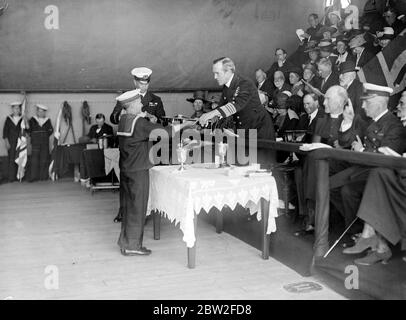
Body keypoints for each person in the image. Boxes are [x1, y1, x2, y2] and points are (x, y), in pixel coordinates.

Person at [115, 90, 192, 256]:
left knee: (128, 208)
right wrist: (184, 125)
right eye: (139, 103)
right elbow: (165, 133)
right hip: (139, 170)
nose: (142, 105)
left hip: (126, 169)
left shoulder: (124, 120)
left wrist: (146, 119)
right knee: (138, 208)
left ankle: (125, 241)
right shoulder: (139, 123)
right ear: (132, 105)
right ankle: (133, 246)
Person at [329, 83, 406, 236]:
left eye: (367, 102)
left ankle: (359, 231)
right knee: (330, 185)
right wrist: (349, 122)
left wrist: (362, 150)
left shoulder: (394, 125)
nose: (363, 106)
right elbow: (347, 141)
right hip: (364, 169)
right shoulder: (371, 122)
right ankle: (358, 227)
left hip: (378, 174)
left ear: (379, 102)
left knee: (345, 190)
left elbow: (386, 157)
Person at [199, 57, 275, 141]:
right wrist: (211, 118)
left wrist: (210, 114)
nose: (215, 77)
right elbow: (221, 107)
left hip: (259, 130)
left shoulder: (244, 83)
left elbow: (234, 105)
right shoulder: (227, 87)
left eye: (217, 73)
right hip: (244, 130)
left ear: (228, 71)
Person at [28, 104, 54, 182]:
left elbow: (50, 130)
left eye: (42, 112)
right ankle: (33, 177)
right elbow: (28, 130)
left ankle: (43, 177)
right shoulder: (32, 120)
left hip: (44, 143)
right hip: (35, 143)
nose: (41, 113)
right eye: (39, 111)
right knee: (34, 160)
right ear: (37, 111)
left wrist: (44, 135)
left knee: (44, 159)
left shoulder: (47, 120)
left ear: (45, 112)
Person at [3, 102, 23, 182]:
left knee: (19, 158)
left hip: (20, 142)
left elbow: (27, 130)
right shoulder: (8, 119)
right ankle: (11, 177)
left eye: (18, 108)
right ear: (12, 109)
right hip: (11, 141)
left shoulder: (22, 118)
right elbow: (5, 132)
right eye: (15, 108)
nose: (17, 110)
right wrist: (6, 142)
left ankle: (19, 176)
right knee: (11, 159)